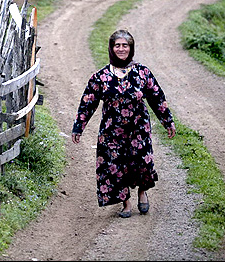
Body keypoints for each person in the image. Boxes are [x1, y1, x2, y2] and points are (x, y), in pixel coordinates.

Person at [71, 29, 176, 218]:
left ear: (131, 48)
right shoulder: (100, 77)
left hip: (138, 129)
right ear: (111, 48)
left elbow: (157, 98)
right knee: (114, 165)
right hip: (112, 131)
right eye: (117, 45)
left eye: (125, 45)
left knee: (141, 162)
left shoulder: (142, 72)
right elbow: (88, 102)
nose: (121, 49)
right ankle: (125, 203)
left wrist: (168, 121)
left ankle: (142, 192)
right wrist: (79, 126)